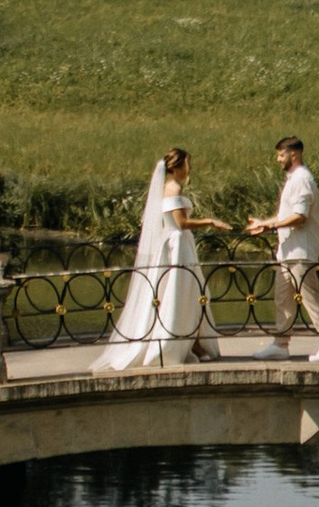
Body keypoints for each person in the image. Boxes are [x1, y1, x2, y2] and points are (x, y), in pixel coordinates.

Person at [97, 149, 229, 370]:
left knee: (189, 293)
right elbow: (181, 223)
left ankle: (193, 343)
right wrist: (210, 222)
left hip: (180, 244)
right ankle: (175, 344)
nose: (189, 168)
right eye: (187, 164)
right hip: (177, 245)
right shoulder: (173, 188)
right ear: (177, 167)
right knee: (179, 293)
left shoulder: (169, 187)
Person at [248, 137, 319, 362]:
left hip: (300, 251)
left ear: (293, 154)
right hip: (288, 251)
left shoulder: (302, 179)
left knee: (310, 297)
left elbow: (300, 217)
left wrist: (271, 226)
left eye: (281, 155)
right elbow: (285, 216)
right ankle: (281, 344)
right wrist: (264, 224)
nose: (278, 159)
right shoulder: (293, 179)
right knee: (283, 299)